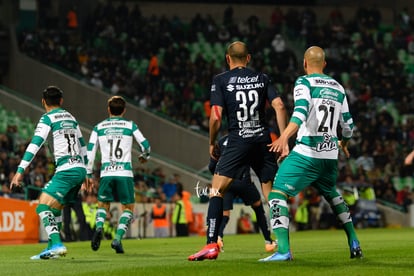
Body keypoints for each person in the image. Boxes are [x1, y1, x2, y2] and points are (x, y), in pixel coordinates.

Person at [261, 46, 363, 262]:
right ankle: (354, 240)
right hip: (330, 155)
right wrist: (343, 144)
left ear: (305, 64)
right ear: (324, 64)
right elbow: (349, 126)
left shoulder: (304, 82)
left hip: (307, 153)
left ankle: (283, 251)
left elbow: (300, 112)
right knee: (331, 193)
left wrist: (284, 137)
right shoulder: (338, 87)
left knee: (277, 193)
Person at [188, 41, 287, 261]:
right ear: (248, 58)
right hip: (262, 141)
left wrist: (212, 142)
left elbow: (215, 116)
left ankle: (212, 244)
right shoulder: (262, 78)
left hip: (238, 141)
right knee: (271, 195)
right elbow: (279, 106)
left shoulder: (221, 80)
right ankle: (282, 245)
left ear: (227, 58)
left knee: (216, 190)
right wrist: (283, 139)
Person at [10, 86, 88, 260]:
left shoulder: (48, 118)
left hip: (66, 170)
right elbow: (83, 145)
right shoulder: (71, 117)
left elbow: (35, 144)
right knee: (56, 208)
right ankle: (51, 248)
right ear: (61, 101)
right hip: (80, 169)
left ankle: (58, 243)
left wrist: (20, 170)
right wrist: (88, 173)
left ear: (43, 101)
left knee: (42, 205)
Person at [87, 95, 151, 254]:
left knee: (103, 205)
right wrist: (144, 156)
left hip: (106, 172)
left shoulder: (98, 127)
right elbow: (146, 145)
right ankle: (117, 239)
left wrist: (88, 173)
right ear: (124, 110)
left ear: (108, 109)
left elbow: (90, 151)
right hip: (125, 173)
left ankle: (99, 227)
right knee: (128, 207)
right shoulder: (130, 125)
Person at [209, 135, 276, 253]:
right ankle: (268, 241)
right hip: (243, 180)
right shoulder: (246, 139)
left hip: (226, 181)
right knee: (258, 207)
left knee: (225, 214)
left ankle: (218, 237)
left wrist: (218, 177)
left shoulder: (221, 141)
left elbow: (212, 166)